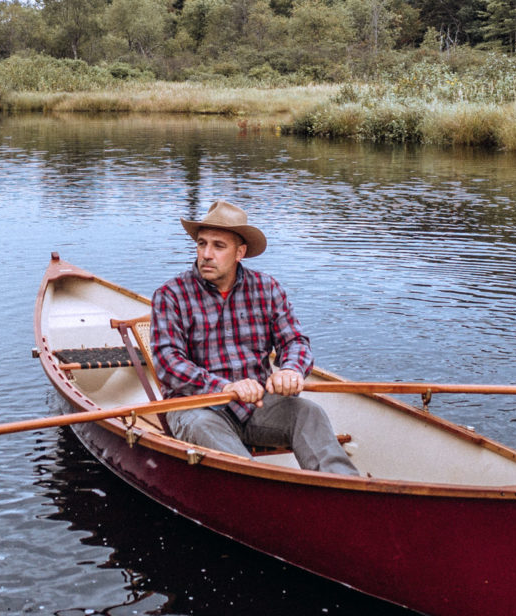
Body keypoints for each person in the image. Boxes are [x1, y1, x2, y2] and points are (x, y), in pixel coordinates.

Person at [149, 200, 359, 476]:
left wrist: (291, 370)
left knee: (308, 412)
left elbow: (294, 341)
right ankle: (256, 491)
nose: (206, 254)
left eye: (218, 246)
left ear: (240, 252)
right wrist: (224, 387)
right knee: (202, 427)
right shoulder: (171, 295)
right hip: (197, 406)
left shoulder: (267, 288)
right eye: (202, 244)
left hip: (257, 405)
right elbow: (168, 363)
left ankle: (343, 489)